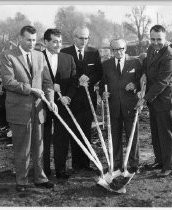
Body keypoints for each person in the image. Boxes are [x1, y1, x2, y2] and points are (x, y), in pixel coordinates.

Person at [0, 25, 57, 192]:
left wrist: (51, 101)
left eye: (34, 40)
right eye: (28, 40)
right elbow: (8, 82)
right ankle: (22, 181)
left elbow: (47, 83)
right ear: (20, 39)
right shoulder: (7, 56)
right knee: (22, 148)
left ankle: (40, 178)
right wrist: (31, 89)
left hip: (38, 110)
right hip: (19, 110)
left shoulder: (40, 56)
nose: (32, 43)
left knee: (39, 147)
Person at [61, 26, 103, 172]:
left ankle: (85, 164)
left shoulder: (93, 52)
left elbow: (99, 72)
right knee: (74, 130)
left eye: (86, 38)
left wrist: (89, 79)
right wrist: (78, 79)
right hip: (72, 98)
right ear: (74, 38)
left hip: (88, 99)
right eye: (80, 38)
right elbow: (64, 74)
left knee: (85, 130)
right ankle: (75, 164)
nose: (83, 41)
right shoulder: (65, 52)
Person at [100, 38, 143, 173]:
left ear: (125, 48)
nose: (118, 52)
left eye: (121, 49)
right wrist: (103, 94)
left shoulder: (135, 62)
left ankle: (134, 164)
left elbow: (142, 81)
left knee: (132, 136)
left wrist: (135, 85)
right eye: (115, 49)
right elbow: (102, 84)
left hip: (131, 106)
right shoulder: (106, 64)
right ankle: (116, 163)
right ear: (111, 50)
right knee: (114, 136)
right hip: (113, 107)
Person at [140, 25, 172, 177]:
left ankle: (170, 166)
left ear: (165, 38)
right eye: (153, 39)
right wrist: (143, 73)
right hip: (154, 100)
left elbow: (162, 83)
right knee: (156, 131)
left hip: (165, 100)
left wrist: (144, 98)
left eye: (159, 39)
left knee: (166, 132)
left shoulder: (170, 56)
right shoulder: (151, 49)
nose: (155, 42)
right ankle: (160, 160)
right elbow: (146, 65)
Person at [42, 29, 77, 179]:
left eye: (60, 41)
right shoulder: (38, 57)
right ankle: (44, 170)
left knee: (61, 138)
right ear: (46, 42)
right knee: (43, 138)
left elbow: (74, 81)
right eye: (54, 41)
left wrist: (67, 96)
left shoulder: (68, 58)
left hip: (62, 105)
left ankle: (60, 170)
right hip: (42, 104)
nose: (58, 44)